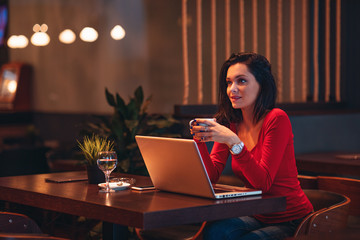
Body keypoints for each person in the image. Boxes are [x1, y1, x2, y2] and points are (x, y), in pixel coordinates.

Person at [189, 52, 313, 240]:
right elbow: (212, 175)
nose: (232, 89)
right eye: (229, 82)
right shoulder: (232, 124)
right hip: (257, 213)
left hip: (292, 219)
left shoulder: (276, 119)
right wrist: (199, 139)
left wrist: (233, 141)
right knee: (215, 232)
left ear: (261, 85)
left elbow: (263, 183)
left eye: (242, 81)